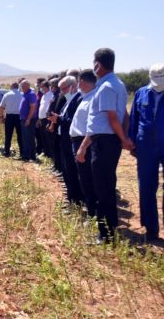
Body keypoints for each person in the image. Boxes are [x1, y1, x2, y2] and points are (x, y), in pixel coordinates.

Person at [76, 48, 134, 243]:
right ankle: (110, 226)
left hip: (104, 142)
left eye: (94, 62)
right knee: (107, 185)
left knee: (103, 188)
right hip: (107, 141)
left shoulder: (107, 87)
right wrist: (123, 136)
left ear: (98, 64)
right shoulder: (117, 84)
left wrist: (123, 138)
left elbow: (111, 117)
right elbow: (123, 115)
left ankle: (105, 234)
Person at [128, 64, 164, 241]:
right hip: (145, 146)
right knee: (146, 186)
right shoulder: (141, 93)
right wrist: (132, 142)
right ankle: (151, 228)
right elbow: (134, 119)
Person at [49, 76, 84, 207]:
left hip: (71, 141)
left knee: (72, 173)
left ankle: (75, 201)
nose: (62, 92)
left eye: (64, 88)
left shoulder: (79, 100)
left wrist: (58, 119)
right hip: (64, 139)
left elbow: (74, 122)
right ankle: (71, 198)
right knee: (67, 171)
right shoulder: (69, 100)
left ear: (73, 86)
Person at [70, 70, 98, 218]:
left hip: (84, 143)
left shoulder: (93, 98)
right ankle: (91, 210)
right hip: (79, 141)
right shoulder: (86, 97)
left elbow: (92, 127)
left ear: (81, 82)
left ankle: (93, 212)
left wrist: (83, 147)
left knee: (88, 179)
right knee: (84, 178)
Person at [0, 82, 24, 157]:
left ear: (11, 87)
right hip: (19, 117)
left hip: (9, 117)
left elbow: (1, 107)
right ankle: (22, 152)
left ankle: (7, 152)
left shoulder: (7, 95)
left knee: (8, 135)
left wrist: (2, 117)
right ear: (18, 87)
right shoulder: (22, 95)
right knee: (20, 135)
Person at [19, 80, 38, 161]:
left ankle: (30, 156)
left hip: (29, 119)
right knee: (25, 138)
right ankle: (26, 155)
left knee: (29, 138)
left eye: (22, 86)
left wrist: (28, 119)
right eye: (21, 86)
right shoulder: (25, 94)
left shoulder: (31, 94)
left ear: (27, 86)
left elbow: (33, 108)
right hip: (24, 119)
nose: (21, 88)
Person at [37, 81, 54, 159]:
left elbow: (50, 108)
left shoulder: (51, 95)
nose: (41, 89)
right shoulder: (43, 96)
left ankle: (50, 154)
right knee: (43, 137)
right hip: (41, 119)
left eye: (42, 87)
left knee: (48, 137)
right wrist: (39, 119)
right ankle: (45, 152)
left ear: (46, 87)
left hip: (47, 119)